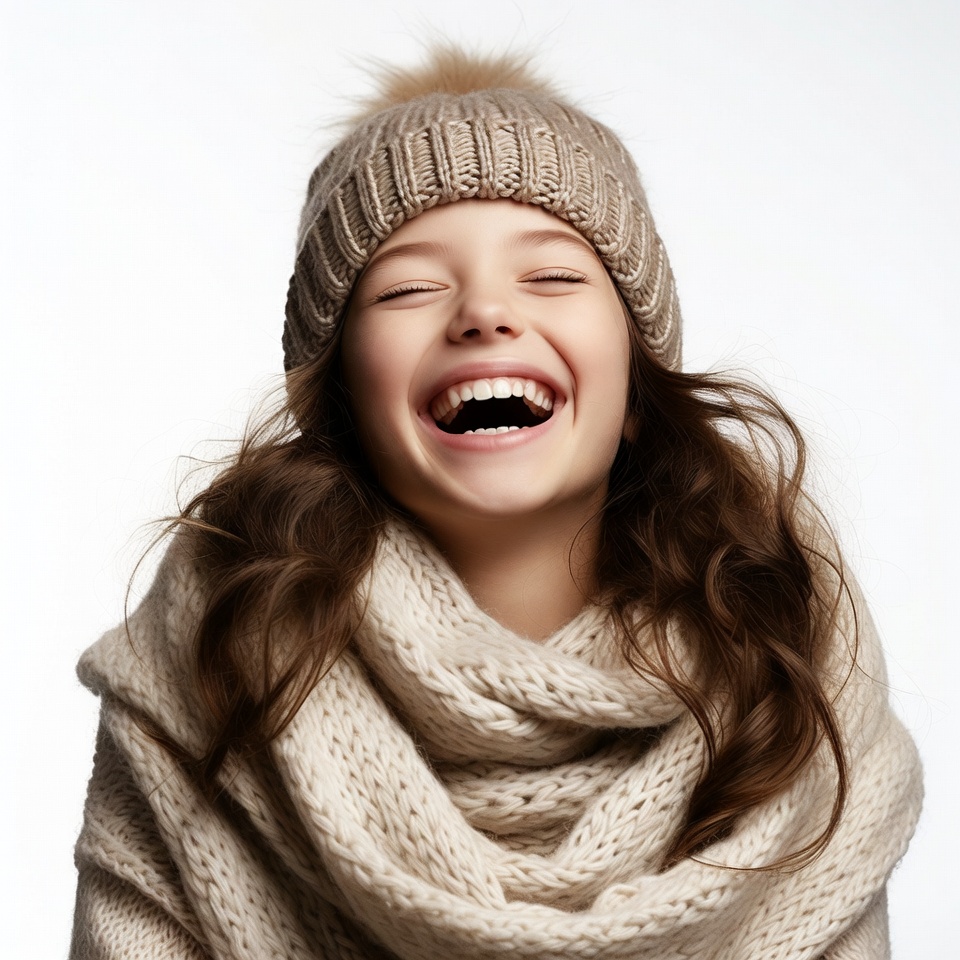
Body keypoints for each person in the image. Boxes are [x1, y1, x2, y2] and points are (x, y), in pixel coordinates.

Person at [70, 47, 922, 960]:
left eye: (552, 276)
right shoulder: (199, 674)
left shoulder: (795, 676)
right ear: (340, 403)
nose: (483, 311)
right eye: (409, 287)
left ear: (636, 383)